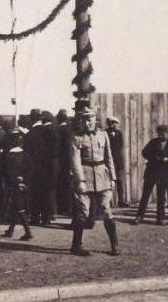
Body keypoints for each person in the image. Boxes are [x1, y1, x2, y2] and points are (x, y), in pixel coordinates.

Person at [69, 106, 119, 256]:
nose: (87, 123)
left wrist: (113, 177)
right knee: (83, 211)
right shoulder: (76, 138)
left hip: (103, 176)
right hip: (85, 176)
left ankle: (114, 246)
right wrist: (80, 181)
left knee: (107, 210)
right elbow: (75, 161)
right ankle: (76, 245)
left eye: (89, 119)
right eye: (84, 120)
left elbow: (109, 157)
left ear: (94, 119)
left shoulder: (103, 135)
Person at [133, 124, 168, 225]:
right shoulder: (153, 142)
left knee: (161, 197)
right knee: (145, 196)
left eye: (163, 134)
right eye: (159, 134)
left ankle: (160, 219)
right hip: (151, 172)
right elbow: (144, 153)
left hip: (164, 173)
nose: (161, 136)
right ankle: (139, 217)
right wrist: (156, 158)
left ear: (167, 133)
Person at [1, 130, 33, 241]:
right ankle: (10, 230)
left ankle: (28, 231)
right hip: (24, 184)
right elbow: (30, 170)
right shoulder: (26, 155)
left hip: (13, 184)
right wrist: (24, 181)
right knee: (16, 207)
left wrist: (15, 181)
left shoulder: (9, 156)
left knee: (19, 207)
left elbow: (7, 171)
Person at [106, 116, 128, 207]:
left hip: (118, 161)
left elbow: (121, 146)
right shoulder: (105, 133)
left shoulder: (119, 133)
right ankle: (110, 202)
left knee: (120, 181)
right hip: (109, 160)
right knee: (109, 182)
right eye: (112, 123)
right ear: (109, 124)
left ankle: (121, 201)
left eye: (115, 123)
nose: (113, 125)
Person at [55, 109, 73, 215]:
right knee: (68, 184)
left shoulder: (58, 130)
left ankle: (63, 207)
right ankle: (68, 207)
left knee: (61, 184)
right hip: (70, 159)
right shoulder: (71, 129)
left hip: (61, 160)